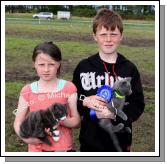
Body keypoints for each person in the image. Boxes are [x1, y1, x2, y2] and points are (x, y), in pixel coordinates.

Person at [72, 8, 145, 152]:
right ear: (95, 36)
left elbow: (138, 103)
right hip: (90, 141)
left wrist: (114, 113)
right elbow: (72, 98)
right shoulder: (84, 66)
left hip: (120, 143)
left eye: (113, 34)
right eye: (103, 34)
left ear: (121, 36)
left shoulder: (129, 68)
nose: (108, 39)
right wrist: (85, 102)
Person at [14, 42, 81, 152]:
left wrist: (59, 120)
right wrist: (27, 138)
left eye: (51, 64)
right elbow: (18, 122)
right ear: (34, 64)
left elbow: (77, 122)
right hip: (36, 151)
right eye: (41, 65)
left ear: (58, 64)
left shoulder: (69, 88)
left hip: (63, 150)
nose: (46, 69)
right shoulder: (27, 91)